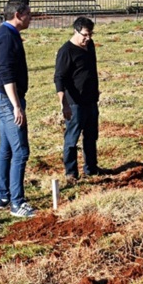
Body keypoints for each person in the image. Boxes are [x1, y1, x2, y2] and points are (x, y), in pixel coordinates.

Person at [0, 0, 35, 218]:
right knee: (20, 151)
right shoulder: (6, 37)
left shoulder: (8, 34)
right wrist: (16, 106)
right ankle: (17, 204)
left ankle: (3, 197)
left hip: (2, 99)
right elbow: (6, 74)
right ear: (18, 15)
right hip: (7, 101)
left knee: (6, 149)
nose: (31, 18)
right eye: (28, 14)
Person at [54, 16, 101, 179]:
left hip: (91, 100)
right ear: (75, 31)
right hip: (75, 103)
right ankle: (71, 173)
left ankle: (91, 169)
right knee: (72, 139)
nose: (88, 38)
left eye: (91, 35)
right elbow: (59, 78)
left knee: (91, 136)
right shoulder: (66, 51)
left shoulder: (90, 45)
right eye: (85, 35)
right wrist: (64, 103)